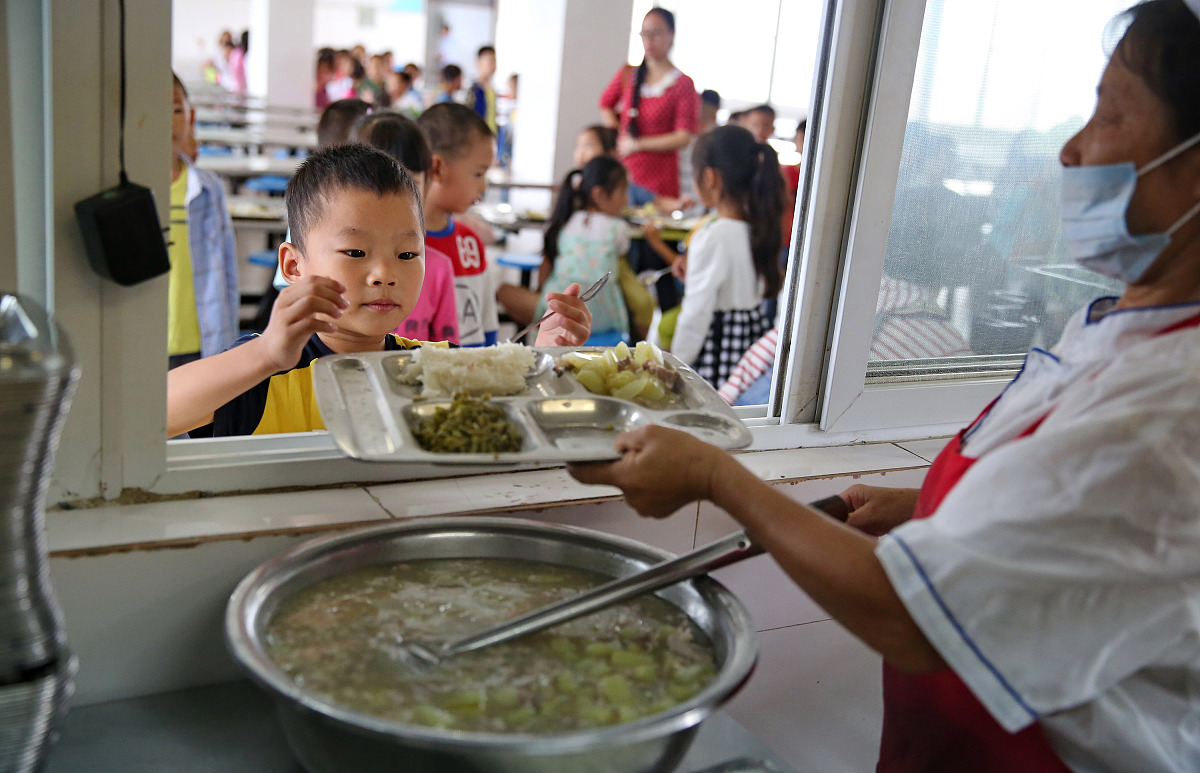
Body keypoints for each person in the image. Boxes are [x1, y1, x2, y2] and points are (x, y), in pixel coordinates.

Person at [571, 2, 1200, 770]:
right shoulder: (1121, 325)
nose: (1069, 150)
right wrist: (927, 508)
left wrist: (714, 474)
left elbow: (911, 617)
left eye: (1109, 114)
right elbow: (1069, 522)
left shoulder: (1172, 411)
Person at [166, 145, 592, 438]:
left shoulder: (437, 367)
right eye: (355, 251)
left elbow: (526, 420)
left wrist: (548, 355)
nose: (385, 273)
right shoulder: (263, 374)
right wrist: (265, 355)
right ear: (294, 266)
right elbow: (150, 418)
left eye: (408, 253)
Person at [671, 125, 783, 387]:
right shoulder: (757, 227)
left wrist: (674, 364)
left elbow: (695, 314)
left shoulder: (712, 236)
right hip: (749, 349)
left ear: (709, 177)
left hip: (717, 348)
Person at [354, 112, 460, 344]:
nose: (391, 198)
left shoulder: (439, 268)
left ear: (428, 183)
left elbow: (449, 358)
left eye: (408, 182)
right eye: (376, 182)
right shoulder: (333, 261)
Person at [508, 157, 632, 346]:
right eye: (623, 192)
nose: (627, 199)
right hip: (605, 314)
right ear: (599, 195)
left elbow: (546, 266)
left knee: (513, 295)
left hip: (560, 307)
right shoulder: (619, 228)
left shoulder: (565, 221)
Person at [168, 74, 239, 370]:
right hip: (141, 341)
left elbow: (228, 276)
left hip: (201, 343)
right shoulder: (125, 192)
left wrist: (228, 346)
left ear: (191, 116)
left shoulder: (208, 190)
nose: (165, 121)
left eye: (174, 110)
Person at [417, 103, 499, 346]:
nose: (484, 186)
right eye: (478, 173)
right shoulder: (399, 246)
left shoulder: (470, 243)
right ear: (438, 168)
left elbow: (487, 325)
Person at [599, 8, 699, 207]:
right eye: (645, 33)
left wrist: (639, 144)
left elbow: (683, 137)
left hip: (660, 177)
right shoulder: (629, 73)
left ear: (671, 35)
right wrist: (619, 135)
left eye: (656, 33)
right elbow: (605, 104)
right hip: (625, 172)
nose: (649, 40)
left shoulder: (682, 84)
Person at [467, 45, 498, 134]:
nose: (494, 65)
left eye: (495, 61)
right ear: (479, 63)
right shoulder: (474, 90)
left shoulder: (492, 90)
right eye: (490, 61)